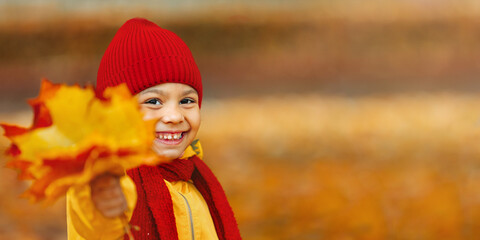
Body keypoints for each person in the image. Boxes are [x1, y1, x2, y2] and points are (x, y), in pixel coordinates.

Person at [66, 17, 242, 240]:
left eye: (187, 101)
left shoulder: (193, 179)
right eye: (153, 102)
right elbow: (94, 225)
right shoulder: (114, 180)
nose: (174, 116)